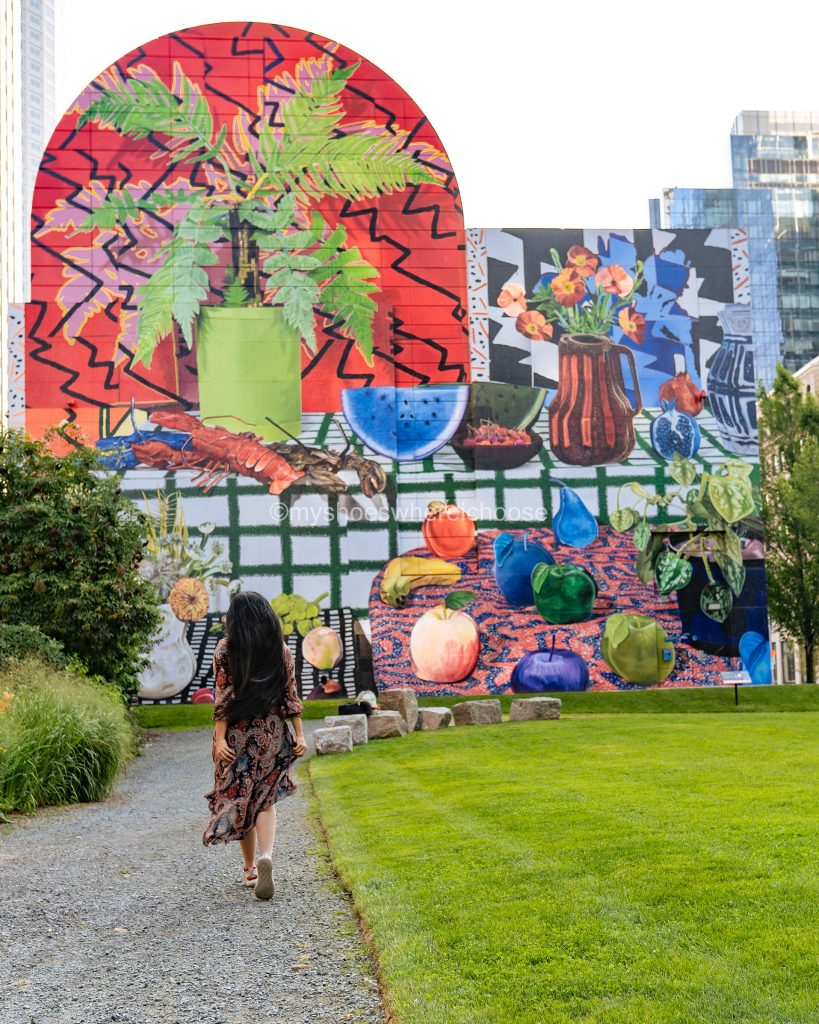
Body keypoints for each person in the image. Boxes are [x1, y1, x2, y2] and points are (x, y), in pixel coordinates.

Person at [203, 591, 307, 900]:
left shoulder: (226, 650)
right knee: (265, 798)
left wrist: (219, 738)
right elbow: (291, 696)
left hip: (237, 735)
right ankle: (267, 856)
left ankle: (249, 868)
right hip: (272, 733)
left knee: (240, 797)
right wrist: (299, 735)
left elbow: (224, 696)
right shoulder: (281, 650)